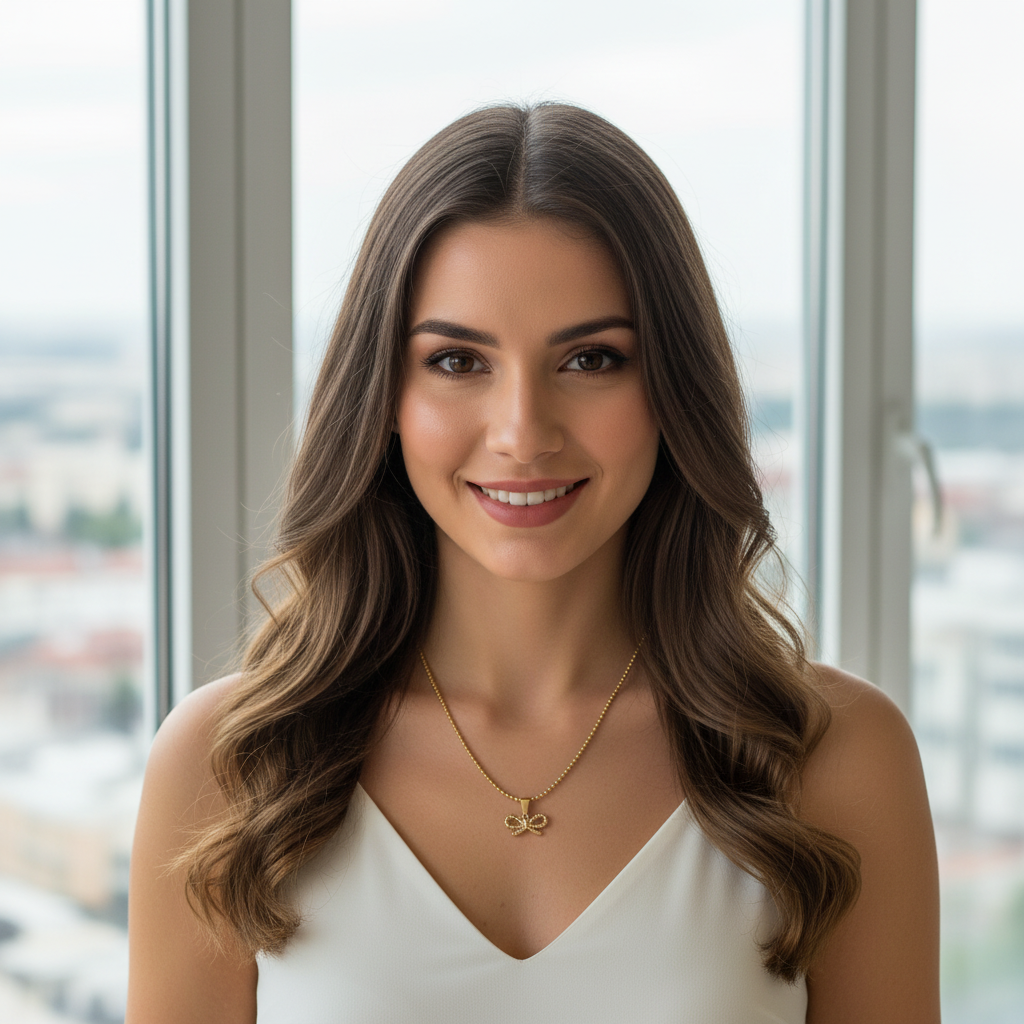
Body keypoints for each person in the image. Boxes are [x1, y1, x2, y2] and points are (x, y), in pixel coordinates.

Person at [126, 103, 940, 1023]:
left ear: (673, 388)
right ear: (384, 395)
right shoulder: (227, 767)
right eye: (458, 360)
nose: (523, 432)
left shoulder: (837, 760)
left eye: (592, 359)